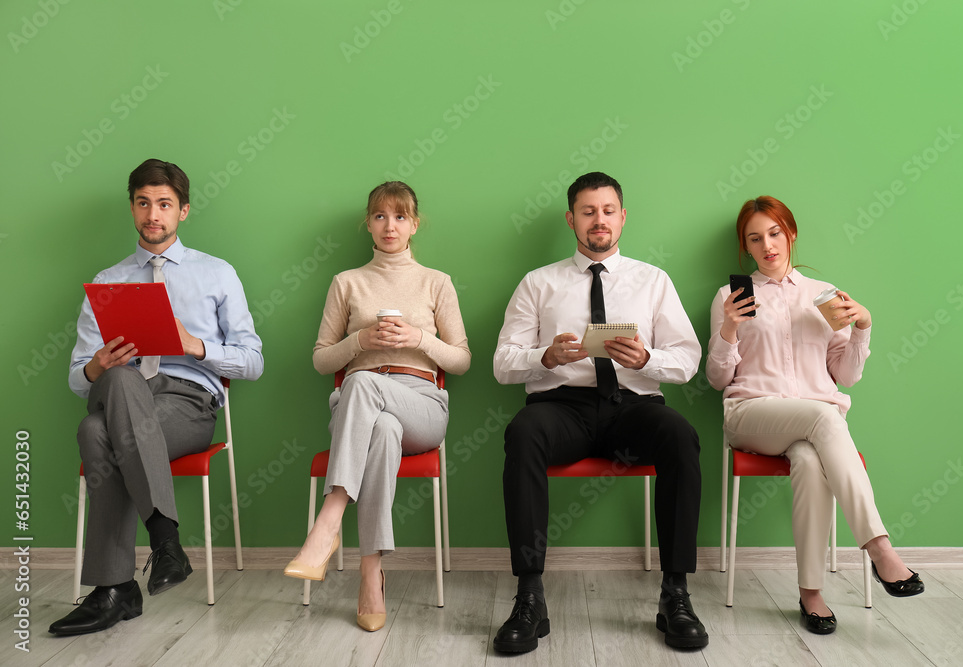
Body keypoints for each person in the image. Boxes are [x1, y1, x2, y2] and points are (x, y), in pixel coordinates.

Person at [492, 172, 707, 653]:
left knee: (680, 434)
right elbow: (503, 363)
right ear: (571, 219)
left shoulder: (653, 281)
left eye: (608, 210)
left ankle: (676, 594)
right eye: (588, 211)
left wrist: (647, 359)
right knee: (523, 431)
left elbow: (689, 359)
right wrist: (545, 357)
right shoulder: (538, 283)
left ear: (623, 217)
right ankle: (530, 596)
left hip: (632, 407)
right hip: (560, 409)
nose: (599, 220)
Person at [51, 159, 264, 636]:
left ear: (183, 211)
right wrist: (98, 365)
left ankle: (115, 590)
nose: (153, 214)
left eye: (164, 204)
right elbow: (76, 379)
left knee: (93, 432)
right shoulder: (106, 282)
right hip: (122, 390)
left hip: (187, 405)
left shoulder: (217, 273)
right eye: (144, 203)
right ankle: (165, 542)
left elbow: (253, 361)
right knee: (123, 380)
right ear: (132, 208)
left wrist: (197, 346)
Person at [706, 195, 924, 635]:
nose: (767, 245)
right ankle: (880, 549)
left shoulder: (820, 296)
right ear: (745, 247)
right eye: (755, 238)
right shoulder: (731, 296)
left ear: (791, 234)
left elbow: (845, 375)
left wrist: (862, 327)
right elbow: (716, 378)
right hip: (752, 415)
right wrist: (729, 327)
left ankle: (811, 594)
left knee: (808, 458)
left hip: (810, 425)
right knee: (827, 418)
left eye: (774, 233)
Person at [283, 181, 471, 632]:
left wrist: (419, 339)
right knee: (381, 427)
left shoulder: (436, 282)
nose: (391, 226)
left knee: (365, 383)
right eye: (381, 216)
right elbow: (320, 358)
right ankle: (371, 577)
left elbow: (462, 360)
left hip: (422, 405)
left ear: (414, 224)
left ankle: (329, 521)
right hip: (360, 411)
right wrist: (361, 341)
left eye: (400, 216)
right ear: (367, 223)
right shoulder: (346, 283)